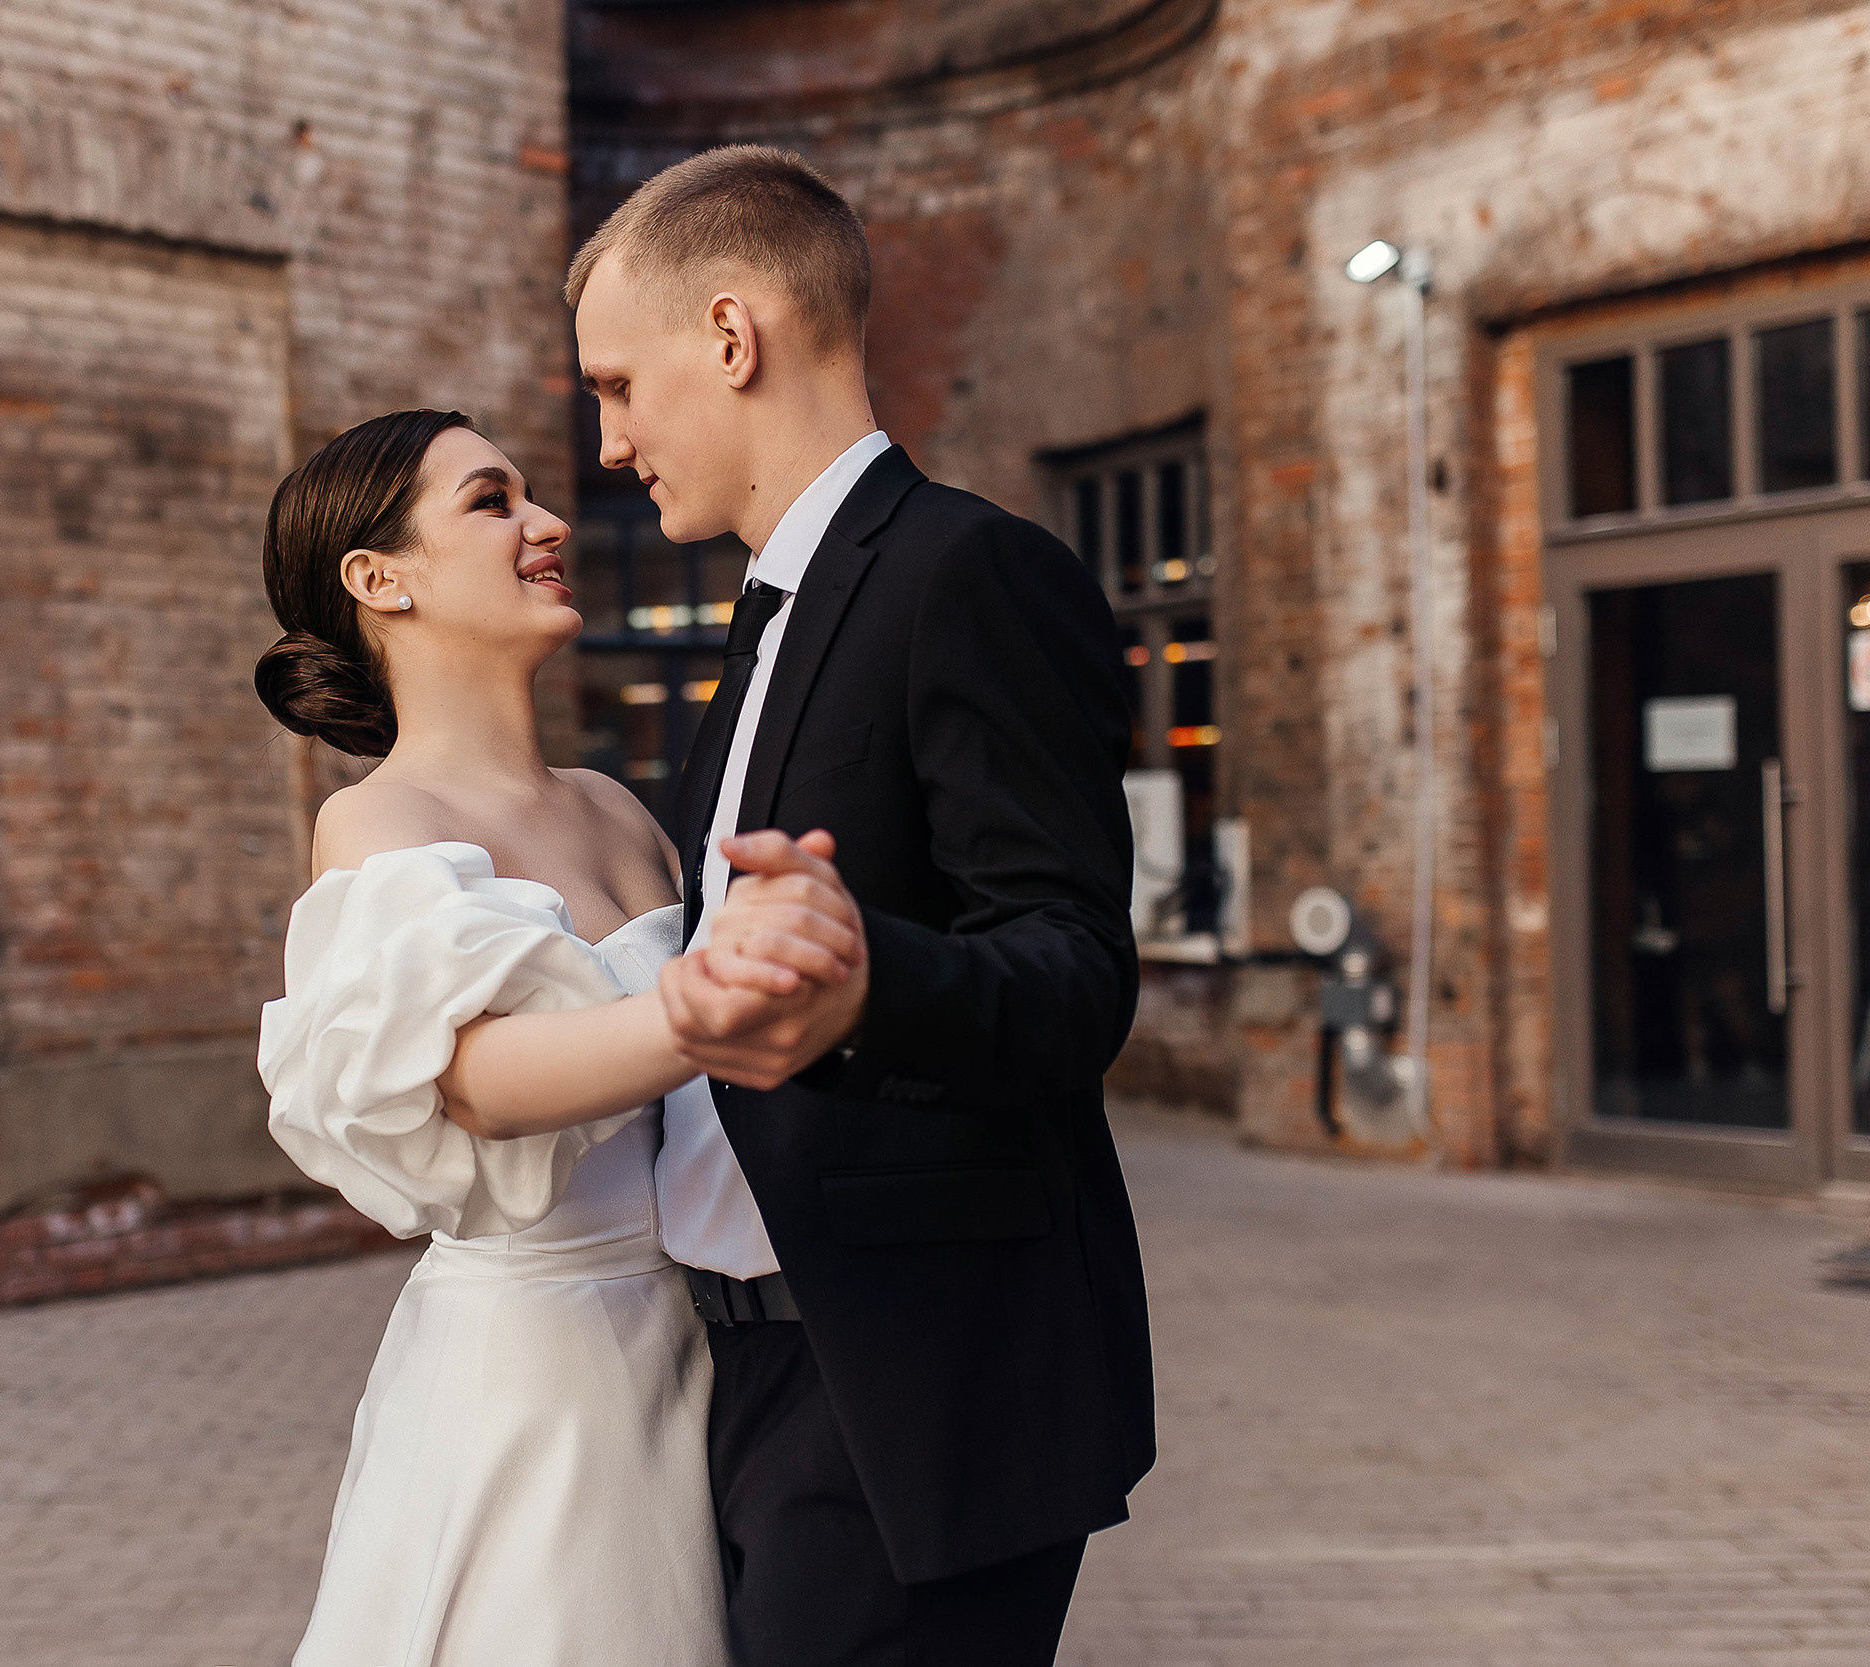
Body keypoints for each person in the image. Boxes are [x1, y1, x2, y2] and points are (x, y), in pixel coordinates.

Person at [569, 145, 1156, 1663]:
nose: (613, 439)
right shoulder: (765, 618)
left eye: (620, 384)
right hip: (741, 1368)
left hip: (905, 1382)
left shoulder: (972, 573)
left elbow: (1076, 968)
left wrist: (867, 986)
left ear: (731, 333)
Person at [252, 408, 860, 1665]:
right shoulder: (377, 825)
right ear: (381, 579)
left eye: (531, 496)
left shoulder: (619, 811)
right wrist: (696, 1011)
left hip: (710, 1358)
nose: (548, 524)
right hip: (539, 1380)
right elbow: (471, 1081)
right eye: (491, 501)